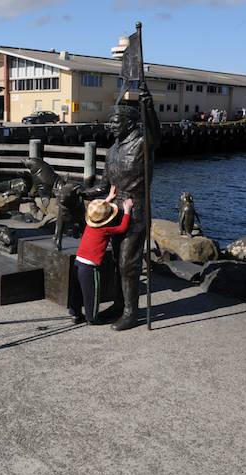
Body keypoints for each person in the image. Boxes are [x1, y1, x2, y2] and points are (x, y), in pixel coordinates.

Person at [82, 89, 160, 331]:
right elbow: (104, 185)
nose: (111, 126)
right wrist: (83, 192)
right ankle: (119, 304)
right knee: (118, 262)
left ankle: (130, 313)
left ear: (130, 123)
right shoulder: (113, 150)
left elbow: (155, 133)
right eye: (111, 122)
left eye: (116, 122)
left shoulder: (142, 142)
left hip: (135, 212)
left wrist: (148, 106)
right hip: (113, 214)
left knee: (128, 264)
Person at [69, 185, 133, 325]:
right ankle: (92, 318)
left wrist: (109, 197)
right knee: (92, 293)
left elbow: (98, 211)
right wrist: (127, 210)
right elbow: (122, 228)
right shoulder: (105, 230)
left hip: (77, 262)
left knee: (77, 291)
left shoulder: (89, 225)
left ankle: (75, 314)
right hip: (90, 267)